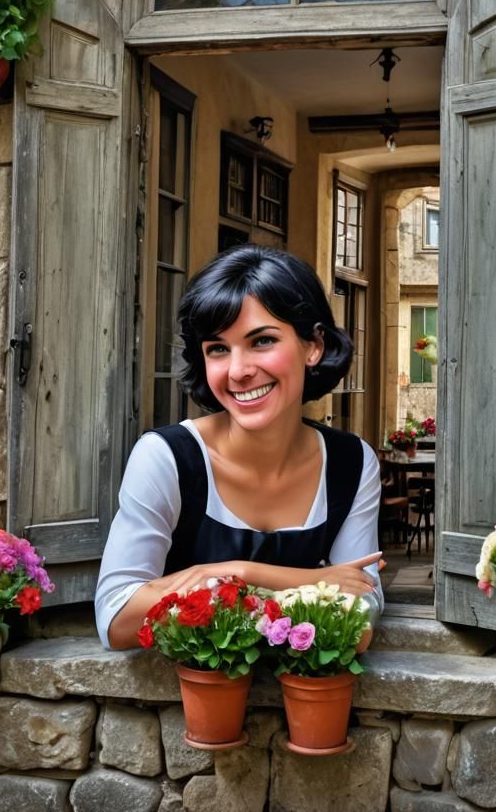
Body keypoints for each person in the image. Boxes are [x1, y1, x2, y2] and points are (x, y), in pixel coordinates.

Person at [95, 245, 384, 650]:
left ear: (313, 345)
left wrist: (239, 572)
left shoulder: (352, 463)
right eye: (218, 349)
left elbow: (360, 617)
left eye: (262, 341)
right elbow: (116, 620)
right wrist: (311, 582)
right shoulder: (166, 458)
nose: (238, 370)